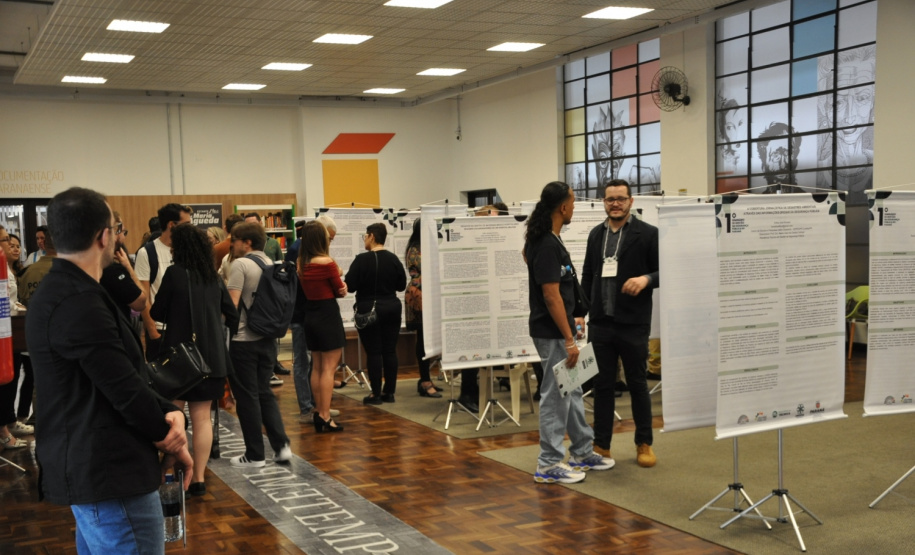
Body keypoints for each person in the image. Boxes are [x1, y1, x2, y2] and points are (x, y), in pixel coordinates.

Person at [26, 186, 192, 553]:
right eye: (116, 227)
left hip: (100, 469)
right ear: (105, 236)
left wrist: (167, 410)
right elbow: (123, 389)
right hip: (109, 473)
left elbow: (118, 376)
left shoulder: (69, 290)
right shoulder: (77, 300)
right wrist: (169, 434)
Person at [525, 181, 613, 484]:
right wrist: (568, 338)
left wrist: (575, 316)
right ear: (562, 207)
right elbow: (550, 295)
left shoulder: (546, 239)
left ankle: (582, 450)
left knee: (572, 387)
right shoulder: (547, 244)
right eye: (573, 202)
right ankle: (548, 463)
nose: (575, 207)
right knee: (555, 395)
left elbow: (558, 287)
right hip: (552, 333)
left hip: (557, 329)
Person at [151, 223, 239, 495]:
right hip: (210, 359)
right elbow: (231, 314)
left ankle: (169, 469)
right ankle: (198, 478)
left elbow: (157, 313)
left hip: (180, 359)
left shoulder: (174, 274)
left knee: (172, 416)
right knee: (202, 418)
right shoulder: (212, 276)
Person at [581, 178, 659, 468]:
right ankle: (601, 445)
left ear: (631, 202)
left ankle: (644, 443)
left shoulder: (648, 234)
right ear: (603, 202)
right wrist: (581, 310)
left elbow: (665, 270)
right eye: (610, 199)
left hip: (633, 323)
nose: (615, 203)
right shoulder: (595, 235)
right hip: (600, 323)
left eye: (620, 199)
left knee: (638, 384)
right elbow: (588, 274)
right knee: (602, 385)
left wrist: (646, 279)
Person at [226, 222, 291, 467]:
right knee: (265, 393)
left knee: (247, 396)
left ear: (247, 243)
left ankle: (254, 454)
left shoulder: (240, 265)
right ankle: (282, 446)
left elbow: (232, 305)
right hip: (268, 340)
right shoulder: (273, 265)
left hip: (243, 340)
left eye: (235, 240)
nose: (233, 244)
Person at [345, 223, 406, 405]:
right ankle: (390, 392)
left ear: (372, 236)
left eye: (365, 236)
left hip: (368, 308)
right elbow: (401, 285)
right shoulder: (394, 259)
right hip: (392, 308)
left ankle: (376, 394)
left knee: (373, 351)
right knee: (389, 350)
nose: (364, 239)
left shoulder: (361, 260)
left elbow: (350, 286)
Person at [298, 221, 347, 432]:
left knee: (316, 367)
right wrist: (342, 285)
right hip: (327, 315)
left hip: (310, 314)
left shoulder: (302, 262)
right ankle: (326, 416)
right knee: (329, 369)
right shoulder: (327, 262)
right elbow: (340, 291)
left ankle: (318, 411)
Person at [135, 203, 192, 361]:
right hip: (161, 330)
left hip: (188, 330)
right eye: (186, 224)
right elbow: (144, 296)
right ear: (172, 225)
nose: (191, 228)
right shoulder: (147, 252)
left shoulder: (190, 251)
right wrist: (153, 333)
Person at [0, 225, 32, 449]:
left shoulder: (10, 269)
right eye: (4, 240)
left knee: (9, 382)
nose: (9, 244)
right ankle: (4, 430)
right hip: (4, 333)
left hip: (12, 331)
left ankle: (8, 423)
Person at [404, 218, 441, 399]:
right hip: (419, 297)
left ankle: (426, 379)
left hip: (428, 295)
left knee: (428, 338)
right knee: (423, 339)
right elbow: (421, 272)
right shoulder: (415, 249)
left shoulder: (424, 247)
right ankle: (425, 380)